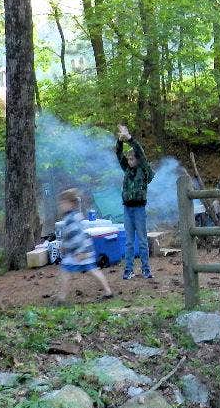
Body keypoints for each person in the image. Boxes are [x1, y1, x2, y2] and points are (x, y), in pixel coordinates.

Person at [56, 188, 114, 304]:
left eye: (63, 203)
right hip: (77, 251)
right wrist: (63, 245)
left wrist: (80, 252)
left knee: (86, 271)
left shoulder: (71, 219)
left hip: (80, 252)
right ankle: (108, 292)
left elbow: (78, 237)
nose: (61, 205)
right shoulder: (71, 217)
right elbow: (68, 236)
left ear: (71, 204)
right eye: (60, 203)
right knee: (88, 270)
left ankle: (62, 299)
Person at [116, 124, 154, 280]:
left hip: (139, 209)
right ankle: (128, 270)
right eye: (129, 158)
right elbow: (118, 154)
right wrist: (120, 140)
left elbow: (140, 152)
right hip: (127, 209)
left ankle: (146, 269)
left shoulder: (143, 170)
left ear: (137, 160)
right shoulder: (128, 170)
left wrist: (129, 138)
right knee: (129, 242)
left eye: (132, 158)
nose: (130, 161)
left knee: (143, 241)